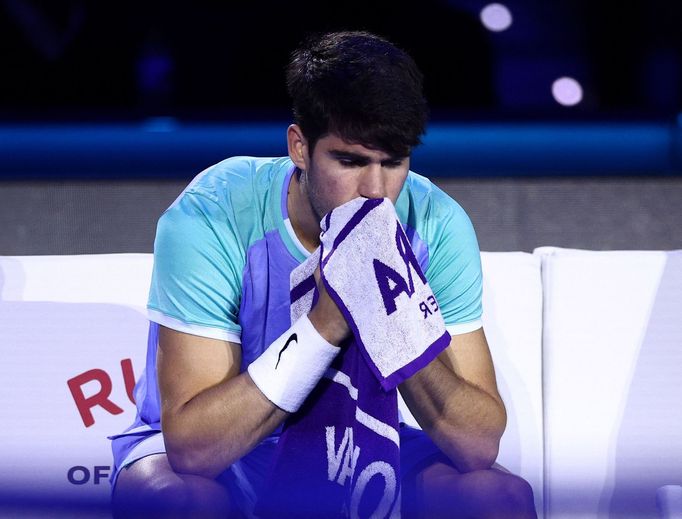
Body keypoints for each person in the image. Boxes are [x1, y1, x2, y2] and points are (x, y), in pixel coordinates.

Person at [110, 30, 537, 519]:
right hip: (228, 455)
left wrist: (390, 319)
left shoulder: (437, 224)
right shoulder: (212, 214)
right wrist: (327, 321)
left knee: (499, 499)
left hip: (359, 445)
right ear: (299, 146)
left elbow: (478, 443)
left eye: (392, 162)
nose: (375, 191)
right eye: (350, 161)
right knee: (177, 501)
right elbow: (194, 449)